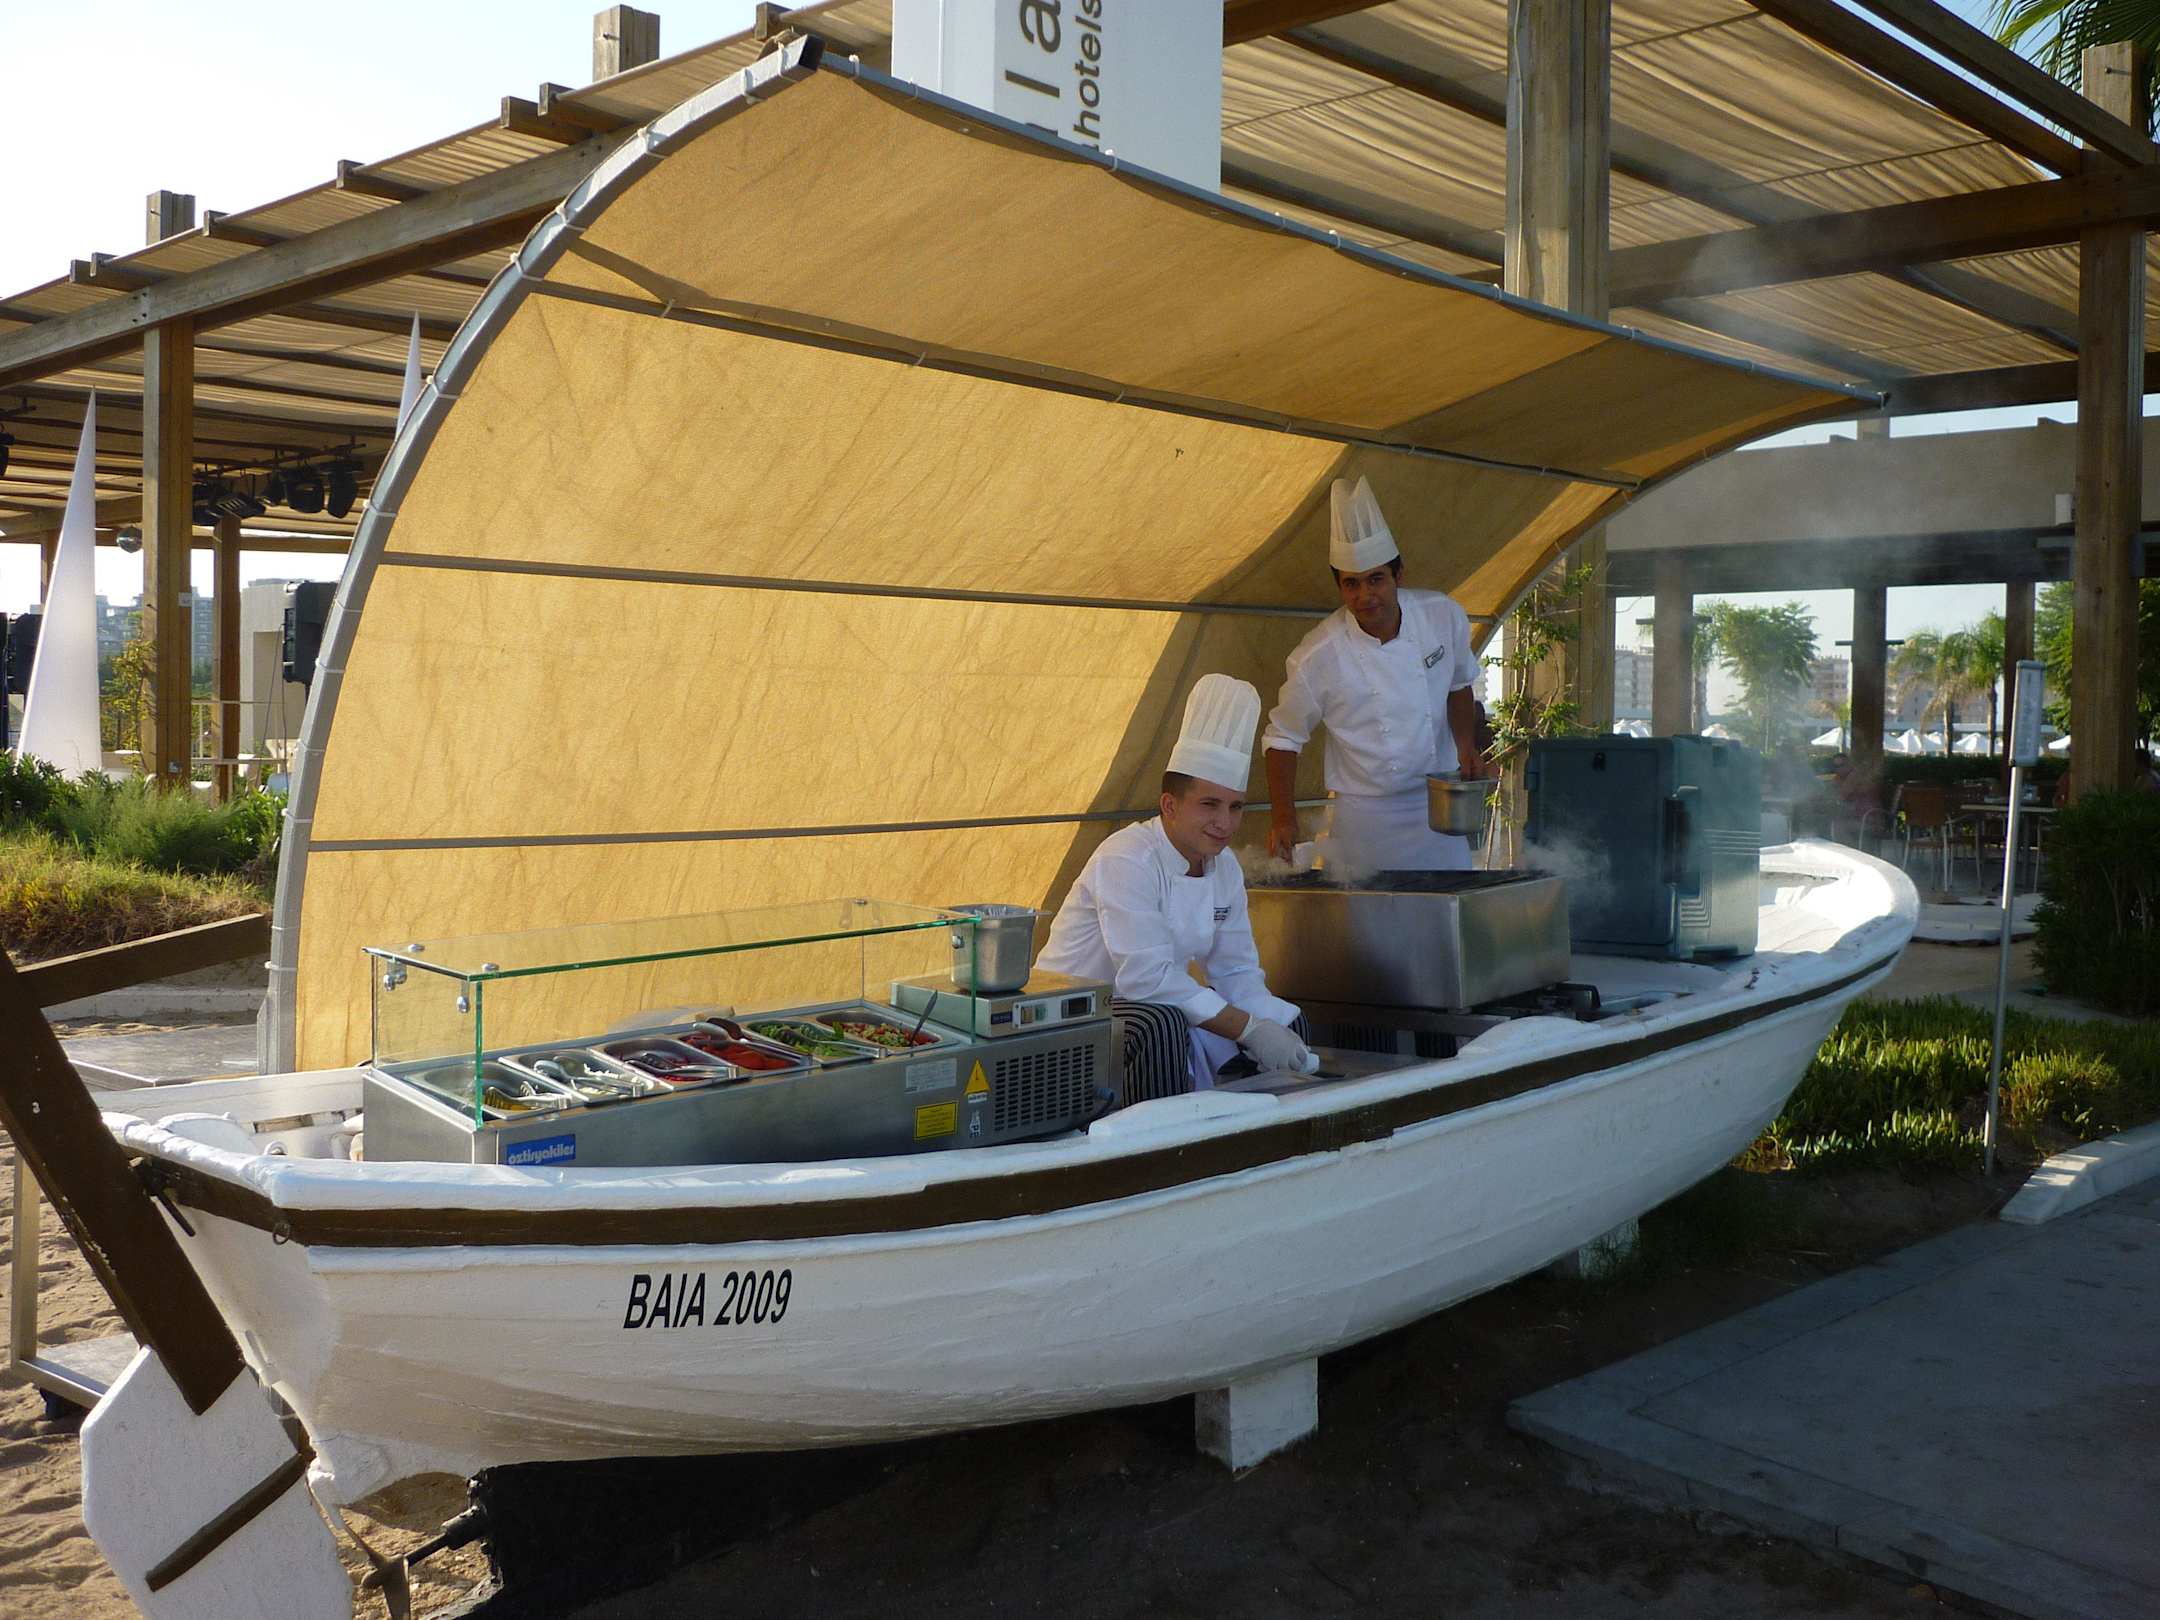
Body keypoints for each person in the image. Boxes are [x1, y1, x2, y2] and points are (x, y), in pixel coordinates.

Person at [1038, 674, 1312, 1102]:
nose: (1224, 823)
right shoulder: (1127, 857)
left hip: (1153, 1002)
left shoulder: (1225, 868)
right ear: (1169, 805)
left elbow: (1236, 971)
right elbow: (1146, 980)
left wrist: (1276, 1024)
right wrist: (1249, 1029)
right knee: (1162, 1022)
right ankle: (1162, 1138)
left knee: (1289, 1021)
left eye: (1235, 807)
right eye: (1209, 805)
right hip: (1071, 1017)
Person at [1262, 475, 1488, 872]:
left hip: (1437, 808)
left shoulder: (1441, 615)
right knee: (1363, 911)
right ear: (1340, 588)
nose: (1365, 596)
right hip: (1363, 820)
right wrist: (1284, 817)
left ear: (1399, 576)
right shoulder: (1317, 655)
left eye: (1376, 580)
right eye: (1351, 584)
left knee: (1448, 906)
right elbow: (1282, 738)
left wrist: (1466, 746)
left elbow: (1458, 684)